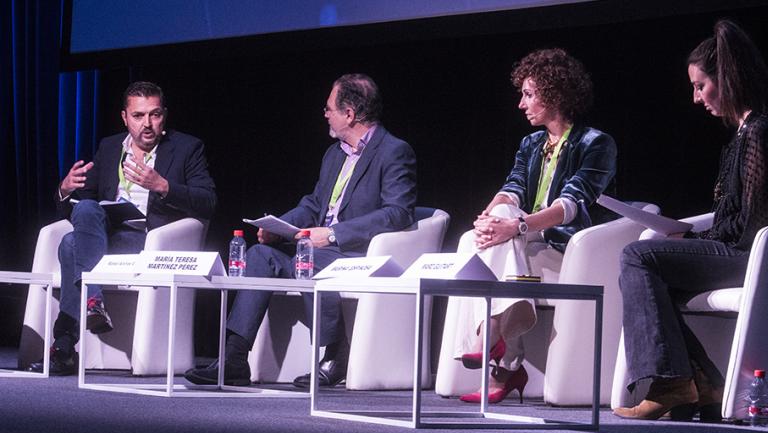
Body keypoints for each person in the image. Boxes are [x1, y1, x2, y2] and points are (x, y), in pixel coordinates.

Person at [613, 20, 768, 421]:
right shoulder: (743, 134)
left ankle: (671, 383)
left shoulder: (762, 133)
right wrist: (691, 235)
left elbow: (757, 223)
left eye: (701, 86)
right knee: (651, 276)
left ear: (727, 80)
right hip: (738, 248)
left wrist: (702, 240)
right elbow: (736, 216)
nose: (696, 98)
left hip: (754, 256)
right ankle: (704, 383)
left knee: (637, 257)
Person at [184, 73, 417, 388]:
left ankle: (334, 354)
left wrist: (334, 234)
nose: (325, 114)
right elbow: (313, 204)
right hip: (319, 248)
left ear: (349, 114)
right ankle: (235, 358)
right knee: (260, 255)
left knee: (305, 263)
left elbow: (398, 213)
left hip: (357, 251)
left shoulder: (393, 151)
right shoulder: (335, 153)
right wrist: (280, 227)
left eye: (329, 108)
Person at [441, 49, 617, 404]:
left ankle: (494, 346)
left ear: (554, 94)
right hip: (525, 240)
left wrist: (515, 226)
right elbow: (513, 188)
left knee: (500, 232)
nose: (521, 104)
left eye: (528, 94)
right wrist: (487, 218)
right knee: (468, 239)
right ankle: (501, 353)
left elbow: (571, 205)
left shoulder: (595, 143)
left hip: (570, 244)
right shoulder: (532, 143)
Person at [30, 81, 217, 375]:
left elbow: (208, 201)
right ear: (124, 117)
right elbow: (80, 209)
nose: (147, 124)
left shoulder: (186, 148)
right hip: (105, 238)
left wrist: (163, 186)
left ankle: (64, 344)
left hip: (150, 241)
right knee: (86, 211)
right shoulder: (109, 147)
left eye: (154, 115)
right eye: (139, 116)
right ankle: (92, 305)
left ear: (164, 115)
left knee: (70, 245)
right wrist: (64, 191)